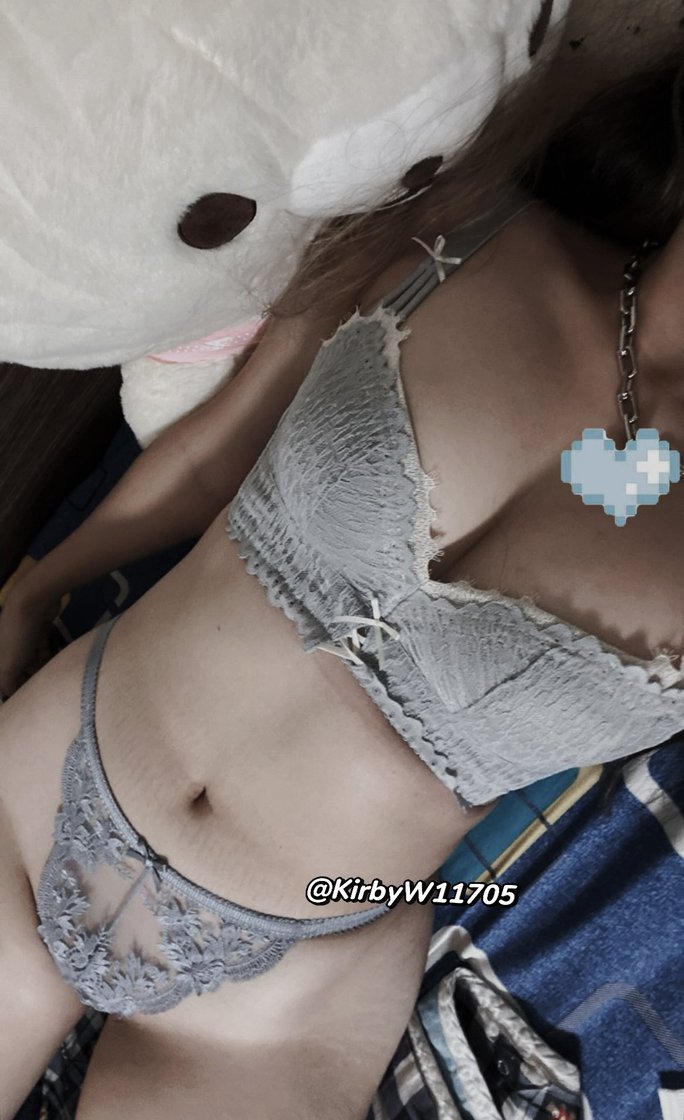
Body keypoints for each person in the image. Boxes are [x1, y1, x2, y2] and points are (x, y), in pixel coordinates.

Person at [1, 54, 683, 1120]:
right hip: (39, 784)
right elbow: (209, 459)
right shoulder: (470, 220)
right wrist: (31, 592)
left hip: (287, 990)